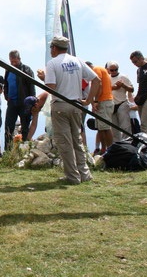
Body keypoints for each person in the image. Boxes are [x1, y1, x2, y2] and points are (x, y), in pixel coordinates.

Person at [38, 36, 99, 184]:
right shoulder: (77, 61)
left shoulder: (52, 63)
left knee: (65, 142)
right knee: (77, 140)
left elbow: (51, 87)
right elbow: (96, 80)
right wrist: (88, 101)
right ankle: (85, 174)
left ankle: (73, 176)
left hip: (60, 105)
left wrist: (43, 78)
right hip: (77, 105)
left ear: (54, 48)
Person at [4, 50, 36, 149]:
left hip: (24, 103)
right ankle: (8, 150)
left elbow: (32, 86)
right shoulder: (8, 70)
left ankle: (25, 149)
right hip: (12, 103)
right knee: (8, 127)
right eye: (11, 61)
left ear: (19, 59)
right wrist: (6, 95)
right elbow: (6, 84)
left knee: (25, 126)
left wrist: (32, 102)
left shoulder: (26, 69)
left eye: (15, 61)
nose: (13, 63)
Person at [87, 62, 114, 154]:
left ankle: (110, 150)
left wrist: (96, 101)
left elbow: (99, 86)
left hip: (104, 101)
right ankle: (104, 149)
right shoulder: (100, 70)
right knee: (101, 127)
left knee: (105, 127)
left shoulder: (96, 69)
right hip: (104, 101)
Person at [105, 61, 134, 141]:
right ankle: (117, 144)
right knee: (114, 128)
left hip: (122, 102)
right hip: (111, 104)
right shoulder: (107, 78)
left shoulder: (123, 77)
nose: (114, 72)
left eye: (116, 70)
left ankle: (127, 143)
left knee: (125, 126)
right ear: (108, 70)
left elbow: (131, 89)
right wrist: (115, 87)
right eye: (112, 70)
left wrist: (123, 85)